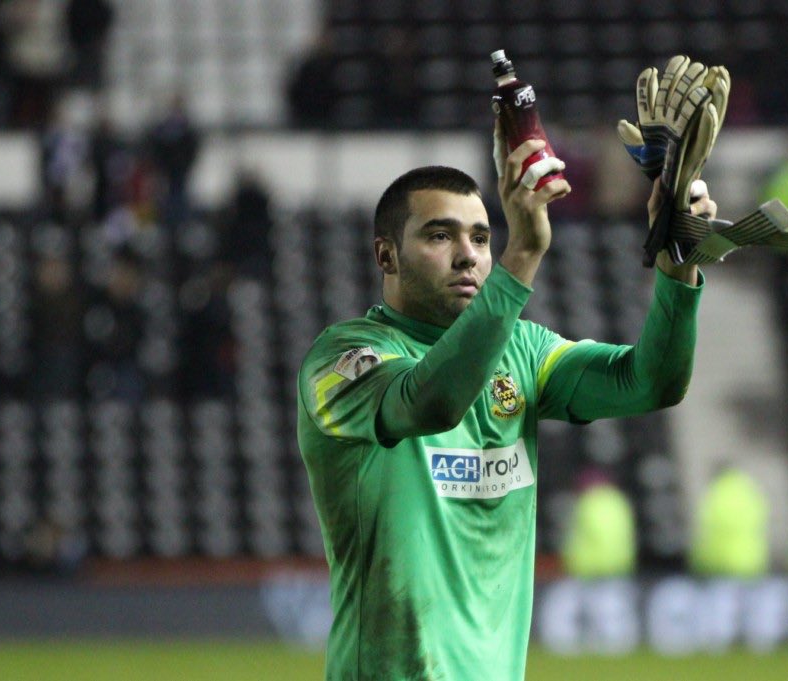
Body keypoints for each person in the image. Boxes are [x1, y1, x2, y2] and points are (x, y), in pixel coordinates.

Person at [297, 124, 709, 680]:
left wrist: (678, 258)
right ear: (387, 256)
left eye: (483, 238)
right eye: (440, 236)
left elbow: (650, 381)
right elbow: (428, 405)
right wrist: (522, 255)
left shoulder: (523, 349)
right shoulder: (342, 360)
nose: (468, 256)